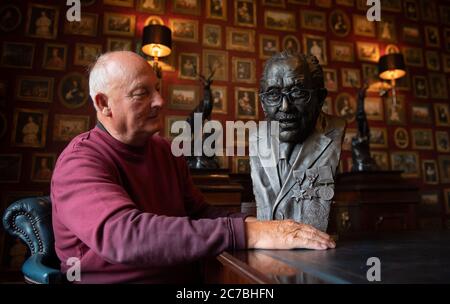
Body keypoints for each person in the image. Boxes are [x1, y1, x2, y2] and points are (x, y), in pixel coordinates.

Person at [51, 51, 335, 284]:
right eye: (142, 93)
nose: (160, 101)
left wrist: (261, 226)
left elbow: (199, 213)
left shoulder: (165, 150)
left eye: (158, 90)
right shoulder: (80, 162)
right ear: (103, 104)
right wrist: (250, 234)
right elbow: (125, 237)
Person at [250, 50, 346, 232]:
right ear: (263, 103)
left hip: (315, 250)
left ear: (320, 98)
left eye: (297, 92)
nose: (285, 107)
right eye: (273, 94)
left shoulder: (335, 131)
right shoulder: (256, 137)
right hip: (269, 245)